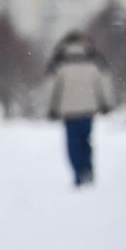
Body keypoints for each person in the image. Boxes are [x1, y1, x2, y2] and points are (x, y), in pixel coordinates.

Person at [44, 32, 114, 187]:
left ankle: (79, 173)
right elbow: (104, 80)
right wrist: (105, 103)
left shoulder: (59, 60)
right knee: (86, 140)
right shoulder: (94, 57)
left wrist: (51, 108)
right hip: (88, 108)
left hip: (68, 110)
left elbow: (51, 86)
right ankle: (87, 169)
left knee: (73, 143)